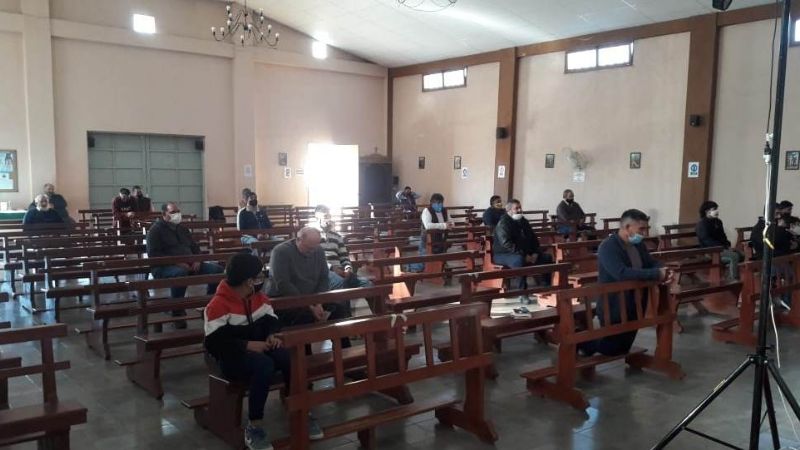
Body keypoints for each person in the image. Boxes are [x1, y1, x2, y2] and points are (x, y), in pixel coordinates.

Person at [204, 253, 322, 448]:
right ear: (248, 281)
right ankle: (255, 425)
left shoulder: (258, 298)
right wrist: (248, 345)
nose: (261, 279)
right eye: (258, 276)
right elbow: (214, 343)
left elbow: (272, 320)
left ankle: (300, 410)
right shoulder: (218, 304)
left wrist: (272, 335)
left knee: (289, 357)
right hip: (230, 358)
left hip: (260, 347)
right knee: (264, 365)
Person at [578, 209, 674, 357]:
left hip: (635, 301)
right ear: (627, 227)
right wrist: (656, 274)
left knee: (622, 348)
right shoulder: (608, 247)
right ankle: (580, 340)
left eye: (645, 229)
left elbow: (650, 262)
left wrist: (663, 269)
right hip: (614, 304)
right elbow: (621, 273)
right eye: (641, 229)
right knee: (613, 349)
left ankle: (587, 346)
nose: (644, 233)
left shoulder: (638, 245)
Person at [266, 227, 351, 349]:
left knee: (339, 311)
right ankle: (304, 361)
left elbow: (323, 278)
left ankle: (344, 355)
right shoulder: (280, 252)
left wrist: (319, 302)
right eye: (309, 248)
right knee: (304, 317)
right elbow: (283, 284)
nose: (312, 252)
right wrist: (309, 306)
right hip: (286, 300)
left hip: (312, 299)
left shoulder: (318, 250)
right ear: (298, 240)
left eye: (315, 247)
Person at [147, 202, 224, 328]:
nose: (177, 214)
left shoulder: (183, 229)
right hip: (164, 267)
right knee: (180, 273)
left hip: (190, 263)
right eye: (173, 212)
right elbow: (154, 255)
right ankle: (177, 311)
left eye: (178, 211)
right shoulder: (155, 230)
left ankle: (208, 304)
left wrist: (198, 260)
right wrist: (177, 262)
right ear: (164, 214)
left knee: (218, 270)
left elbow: (195, 248)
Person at [309, 205, 371, 311]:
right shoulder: (311, 235)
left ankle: (377, 318)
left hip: (341, 271)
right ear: (317, 217)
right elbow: (311, 258)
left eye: (329, 215)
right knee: (341, 284)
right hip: (324, 271)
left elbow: (344, 256)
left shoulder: (337, 236)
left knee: (368, 284)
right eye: (325, 216)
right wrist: (332, 269)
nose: (328, 219)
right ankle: (345, 319)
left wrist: (348, 268)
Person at [493, 199, 555, 303]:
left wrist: (535, 252)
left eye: (520, 207)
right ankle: (522, 293)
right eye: (516, 208)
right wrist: (524, 255)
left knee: (546, 257)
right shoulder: (503, 223)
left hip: (524, 252)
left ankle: (545, 287)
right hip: (504, 254)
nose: (520, 210)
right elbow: (507, 244)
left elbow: (534, 239)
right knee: (520, 260)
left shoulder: (523, 221)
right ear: (509, 210)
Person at [696, 201, 743, 279]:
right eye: (714, 209)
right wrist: (722, 248)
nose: (717, 211)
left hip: (722, 249)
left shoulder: (718, 222)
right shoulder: (702, 224)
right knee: (734, 257)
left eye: (717, 209)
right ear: (707, 211)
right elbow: (707, 241)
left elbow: (723, 236)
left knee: (741, 255)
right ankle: (732, 280)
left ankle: (728, 275)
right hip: (710, 251)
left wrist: (727, 245)